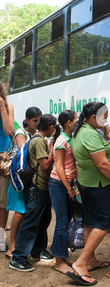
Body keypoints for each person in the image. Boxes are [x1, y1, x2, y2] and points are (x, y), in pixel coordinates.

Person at [70, 102, 110, 286]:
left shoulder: (81, 130)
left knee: (91, 222)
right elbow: (102, 164)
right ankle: (80, 263)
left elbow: (106, 135)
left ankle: (91, 261)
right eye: (104, 116)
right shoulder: (89, 134)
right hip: (98, 185)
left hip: (88, 183)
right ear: (93, 117)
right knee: (105, 222)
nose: (106, 120)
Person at [9, 114, 57, 272]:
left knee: (42, 220)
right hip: (37, 188)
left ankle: (38, 250)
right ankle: (18, 257)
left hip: (42, 187)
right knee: (31, 222)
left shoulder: (39, 139)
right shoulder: (38, 141)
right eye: (54, 127)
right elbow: (44, 165)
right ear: (50, 127)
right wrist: (51, 150)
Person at [6, 108, 42, 258]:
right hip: (21, 179)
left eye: (39, 121)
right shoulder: (22, 133)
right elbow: (23, 154)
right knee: (20, 212)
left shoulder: (35, 134)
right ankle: (12, 245)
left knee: (26, 212)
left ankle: (22, 243)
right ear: (27, 120)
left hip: (29, 180)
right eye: (35, 121)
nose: (37, 124)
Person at [48, 110, 79, 276]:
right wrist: (69, 188)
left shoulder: (68, 138)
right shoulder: (61, 140)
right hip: (58, 184)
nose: (77, 122)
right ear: (68, 123)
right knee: (61, 221)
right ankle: (59, 261)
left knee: (65, 220)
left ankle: (59, 255)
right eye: (75, 119)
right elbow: (59, 167)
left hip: (64, 183)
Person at [0, 83, 14, 252]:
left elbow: (9, 131)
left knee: (2, 201)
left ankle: (1, 236)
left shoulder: (7, 106)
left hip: (3, 157)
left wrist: (2, 108)